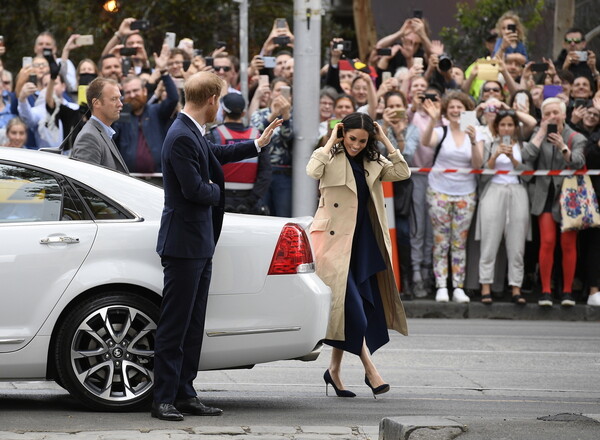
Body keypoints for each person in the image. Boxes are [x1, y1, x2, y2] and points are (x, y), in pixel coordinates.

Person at [152, 71, 282, 421]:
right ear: (211, 100)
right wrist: (217, 190)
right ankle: (163, 397)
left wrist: (257, 144)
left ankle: (185, 392)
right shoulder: (181, 135)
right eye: (218, 102)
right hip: (183, 244)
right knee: (175, 324)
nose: (219, 109)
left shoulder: (191, 132)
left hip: (199, 242)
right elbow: (195, 189)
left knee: (194, 324)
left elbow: (215, 153)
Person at [307, 112, 410, 398]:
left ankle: (334, 371)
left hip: (362, 243)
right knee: (352, 310)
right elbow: (312, 171)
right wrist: (331, 140)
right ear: (343, 134)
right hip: (332, 243)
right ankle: (371, 370)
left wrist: (385, 139)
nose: (357, 145)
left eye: (363, 140)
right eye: (352, 138)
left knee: (351, 309)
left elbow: (402, 173)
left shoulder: (372, 160)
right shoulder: (328, 155)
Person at [521, 97, 586, 307]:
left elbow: (578, 161)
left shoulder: (575, 136)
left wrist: (562, 147)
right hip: (545, 194)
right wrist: (539, 135)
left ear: (564, 114)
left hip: (568, 196)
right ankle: (546, 291)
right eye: (547, 114)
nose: (551, 117)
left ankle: (567, 292)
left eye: (555, 113)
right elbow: (526, 157)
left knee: (568, 244)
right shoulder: (537, 134)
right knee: (547, 241)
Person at [421, 91, 483, 303]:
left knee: (459, 242)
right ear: (447, 112)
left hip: (466, 193)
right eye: (452, 108)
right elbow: (426, 141)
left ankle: (458, 286)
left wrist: (474, 139)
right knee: (441, 241)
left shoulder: (476, 131)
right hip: (439, 190)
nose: (456, 111)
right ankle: (441, 286)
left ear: (467, 111)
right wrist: (432, 119)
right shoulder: (442, 130)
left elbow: (478, 164)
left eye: (461, 107)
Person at [476, 110, 530, 304]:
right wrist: (495, 155)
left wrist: (514, 159)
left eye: (510, 125)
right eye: (503, 125)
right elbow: (482, 174)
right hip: (494, 190)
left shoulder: (522, 146)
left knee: (517, 244)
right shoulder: (490, 144)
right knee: (489, 240)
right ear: (497, 127)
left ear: (515, 127)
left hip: (517, 190)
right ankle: (485, 286)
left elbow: (528, 174)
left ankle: (516, 287)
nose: (506, 128)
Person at [113, 45, 177, 173]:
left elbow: (173, 99)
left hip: (159, 176)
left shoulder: (156, 111)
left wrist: (164, 72)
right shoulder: (120, 117)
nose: (132, 95)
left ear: (144, 91)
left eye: (135, 91)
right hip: (129, 178)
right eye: (128, 92)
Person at [206, 93, 272, 214]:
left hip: (221, 199)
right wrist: (251, 200)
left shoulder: (214, 135)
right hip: (249, 203)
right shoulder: (257, 136)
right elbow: (266, 172)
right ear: (243, 113)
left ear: (223, 112)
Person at [70, 77, 129, 172]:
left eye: (120, 98)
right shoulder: (89, 137)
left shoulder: (102, 132)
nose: (120, 104)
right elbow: (86, 182)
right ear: (96, 103)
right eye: (114, 99)